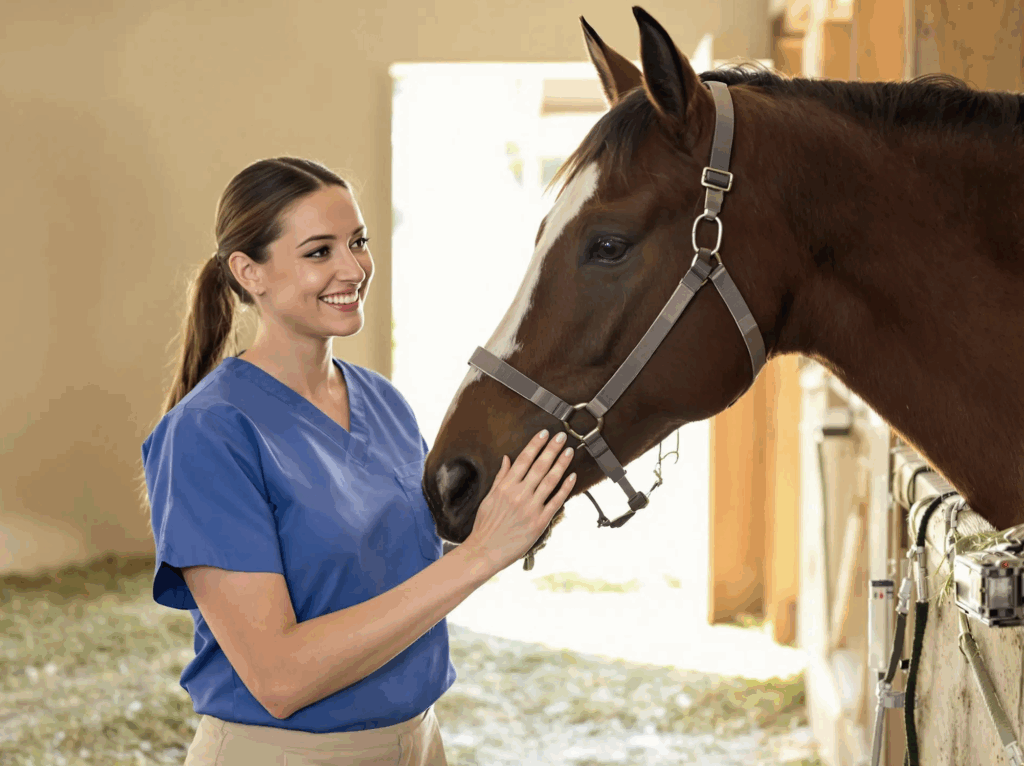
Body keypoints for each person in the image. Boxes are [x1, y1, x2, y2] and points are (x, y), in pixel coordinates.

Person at [137, 157, 577, 765]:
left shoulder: (382, 401)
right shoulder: (209, 433)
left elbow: (398, 574)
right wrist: (479, 558)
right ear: (249, 272)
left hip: (419, 743)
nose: (354, 268)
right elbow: (280, 677)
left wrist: (516, 514)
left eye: (358, 241)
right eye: (319, 251)